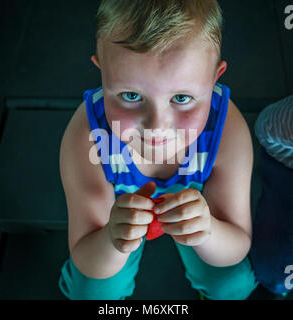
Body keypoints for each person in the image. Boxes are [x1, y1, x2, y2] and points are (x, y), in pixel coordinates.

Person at [58, 0, 258, 300]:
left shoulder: (227, 132)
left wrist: (207, 231)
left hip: (201, 212)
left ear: (214, 79)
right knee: (90, 293)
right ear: (103, 74)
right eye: (130, 95)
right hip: (111, 224)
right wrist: (113, 240)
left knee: (233, 285)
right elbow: (85, 254)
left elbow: (237, 244)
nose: (157, 125)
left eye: (181, 98)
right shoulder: (86, 136)